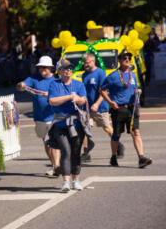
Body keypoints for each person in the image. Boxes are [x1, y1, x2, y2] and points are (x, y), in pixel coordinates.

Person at [100, 51, 152, 168]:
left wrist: (138, 91)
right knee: (117, 134)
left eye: (129, 57)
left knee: (136, 132)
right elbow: (102, 89)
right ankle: (113, 156)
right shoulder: (113, 76)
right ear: (119, 60)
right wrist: (110, 102)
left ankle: (141, 158)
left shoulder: (132, 75)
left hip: (132, 108)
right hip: (119, 109)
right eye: (124, 58)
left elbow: (136, 88)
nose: (127, 59)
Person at [48, 59, 88, 192]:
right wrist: (69, 97)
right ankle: (66, 181)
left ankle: (76, 180)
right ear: (59, 71)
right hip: (60, 124)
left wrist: (78, 99)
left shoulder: (78, 84)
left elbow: (83, 99)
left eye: (70, 68)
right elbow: (52, 101)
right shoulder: (54, 84)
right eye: (65, 68)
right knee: (66, 151)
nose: (68, 71)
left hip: (76, 124)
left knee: (76, 152)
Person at [17, 56, 60, 177]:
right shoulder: (33, 79)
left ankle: (57, 165)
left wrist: (51, 95)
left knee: (54, 141)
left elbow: (61, 95)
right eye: (40, 67)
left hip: (53, 116)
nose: (42, 69)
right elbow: (22, 85)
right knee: (46, 143)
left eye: (45, 67)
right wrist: (21, 85)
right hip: (39, 117)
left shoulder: (56, 81)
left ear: (50, 68)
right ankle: (54, 165)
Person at [80, 53, 123, 162]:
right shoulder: (84, 75)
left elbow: (103, 91)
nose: (85, 64)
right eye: (84, 62)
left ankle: (118, 145)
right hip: (87, 108)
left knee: (107, 128)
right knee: (84, 129)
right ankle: (86, 153)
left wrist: (97, 103)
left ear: (93, 61)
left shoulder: (100, 73)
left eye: (87, 62)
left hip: (100, 107)